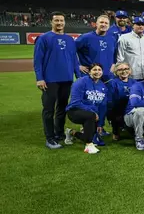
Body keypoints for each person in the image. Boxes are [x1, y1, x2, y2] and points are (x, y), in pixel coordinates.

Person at [34, 11, 81, 149]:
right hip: (50, 80)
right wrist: (40, 78)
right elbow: (38, 61)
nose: (59, 23)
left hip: (66, 79)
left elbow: (74, 60)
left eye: (61, 20)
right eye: (56, 21)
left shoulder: (70, 39)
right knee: (49, 110)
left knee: (62, 108)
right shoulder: (44, 38)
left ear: (64, 22)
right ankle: (49, 138)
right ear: (51, 22)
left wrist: (78, 77)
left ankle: (59, 133)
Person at [63, 63, 108, 154]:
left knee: (95, 140)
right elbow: (76, 102)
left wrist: (100, 124)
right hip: (74, 111)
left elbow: (103, 106)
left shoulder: (103, 86)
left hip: (92, 115)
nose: (97, 72)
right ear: (89, 71)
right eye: (94, 70)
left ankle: (71, 132)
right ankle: (88, 146)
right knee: (90, 116)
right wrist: (92, 111)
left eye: (99, 70)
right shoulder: (81, 82)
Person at [76, 14, 116, 81]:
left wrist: (114, 64)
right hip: (89, 76)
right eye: (101, 22)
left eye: (106, 23)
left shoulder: (112, 39)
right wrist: (77, 65)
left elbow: (115, 54)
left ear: (109, 26)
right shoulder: (85, 37)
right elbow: (70, 50)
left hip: (107, 77)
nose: (104, 24)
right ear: (96, 24)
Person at [106, 62, 136, 141]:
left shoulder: (135, 82)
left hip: (131, 109)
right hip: (118, 111)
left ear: (130, 71)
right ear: (116, 72)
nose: (124, 71)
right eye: (120, 69)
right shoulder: (112, 83)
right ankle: (116, 129)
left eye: (126, 69)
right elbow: (109, 101)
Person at [117, 17, 144, 81]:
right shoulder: (124, 38)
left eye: (142, 24)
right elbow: (120, 58)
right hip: (129, 76)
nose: (140, 26)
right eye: (138, 24)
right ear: (133, 25)